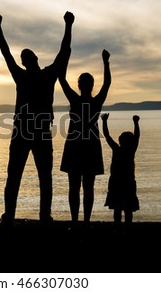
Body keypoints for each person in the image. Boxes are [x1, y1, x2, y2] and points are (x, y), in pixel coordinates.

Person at [0, 11, 74, 226]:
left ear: (35, 59)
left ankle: (43, 216)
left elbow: (64, 51)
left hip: (38, 132)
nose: (24, 60)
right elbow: (6, 53)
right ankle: (10, 216)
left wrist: (68, 25)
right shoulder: (22, 75)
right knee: (15, 176)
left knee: (43, 177)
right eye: (23, 59)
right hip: (22, 132)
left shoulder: (48, 75)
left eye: (26, 57)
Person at [59, 49, 112, 224]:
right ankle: (84, 221)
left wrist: (64, 60)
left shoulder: (76, 100)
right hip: (88, 146)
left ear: (80, 85)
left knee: (75, 187)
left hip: (77, 145)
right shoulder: (94, 102)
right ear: (89, 85)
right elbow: (107, 84)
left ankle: (76, 221)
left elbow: (62, 80)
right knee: (87, 187)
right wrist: (105, 62)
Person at [102, 113, 140, 223]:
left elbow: (107, 136)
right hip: (125, 182)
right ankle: (125, 226)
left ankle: (118, 225)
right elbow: (137, 136)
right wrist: (136, 123)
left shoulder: (118, 149)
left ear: (120, 141)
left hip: (117, 181)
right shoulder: (129, 150)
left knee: (118, 208)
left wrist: (104, 122)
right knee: (127, 209)